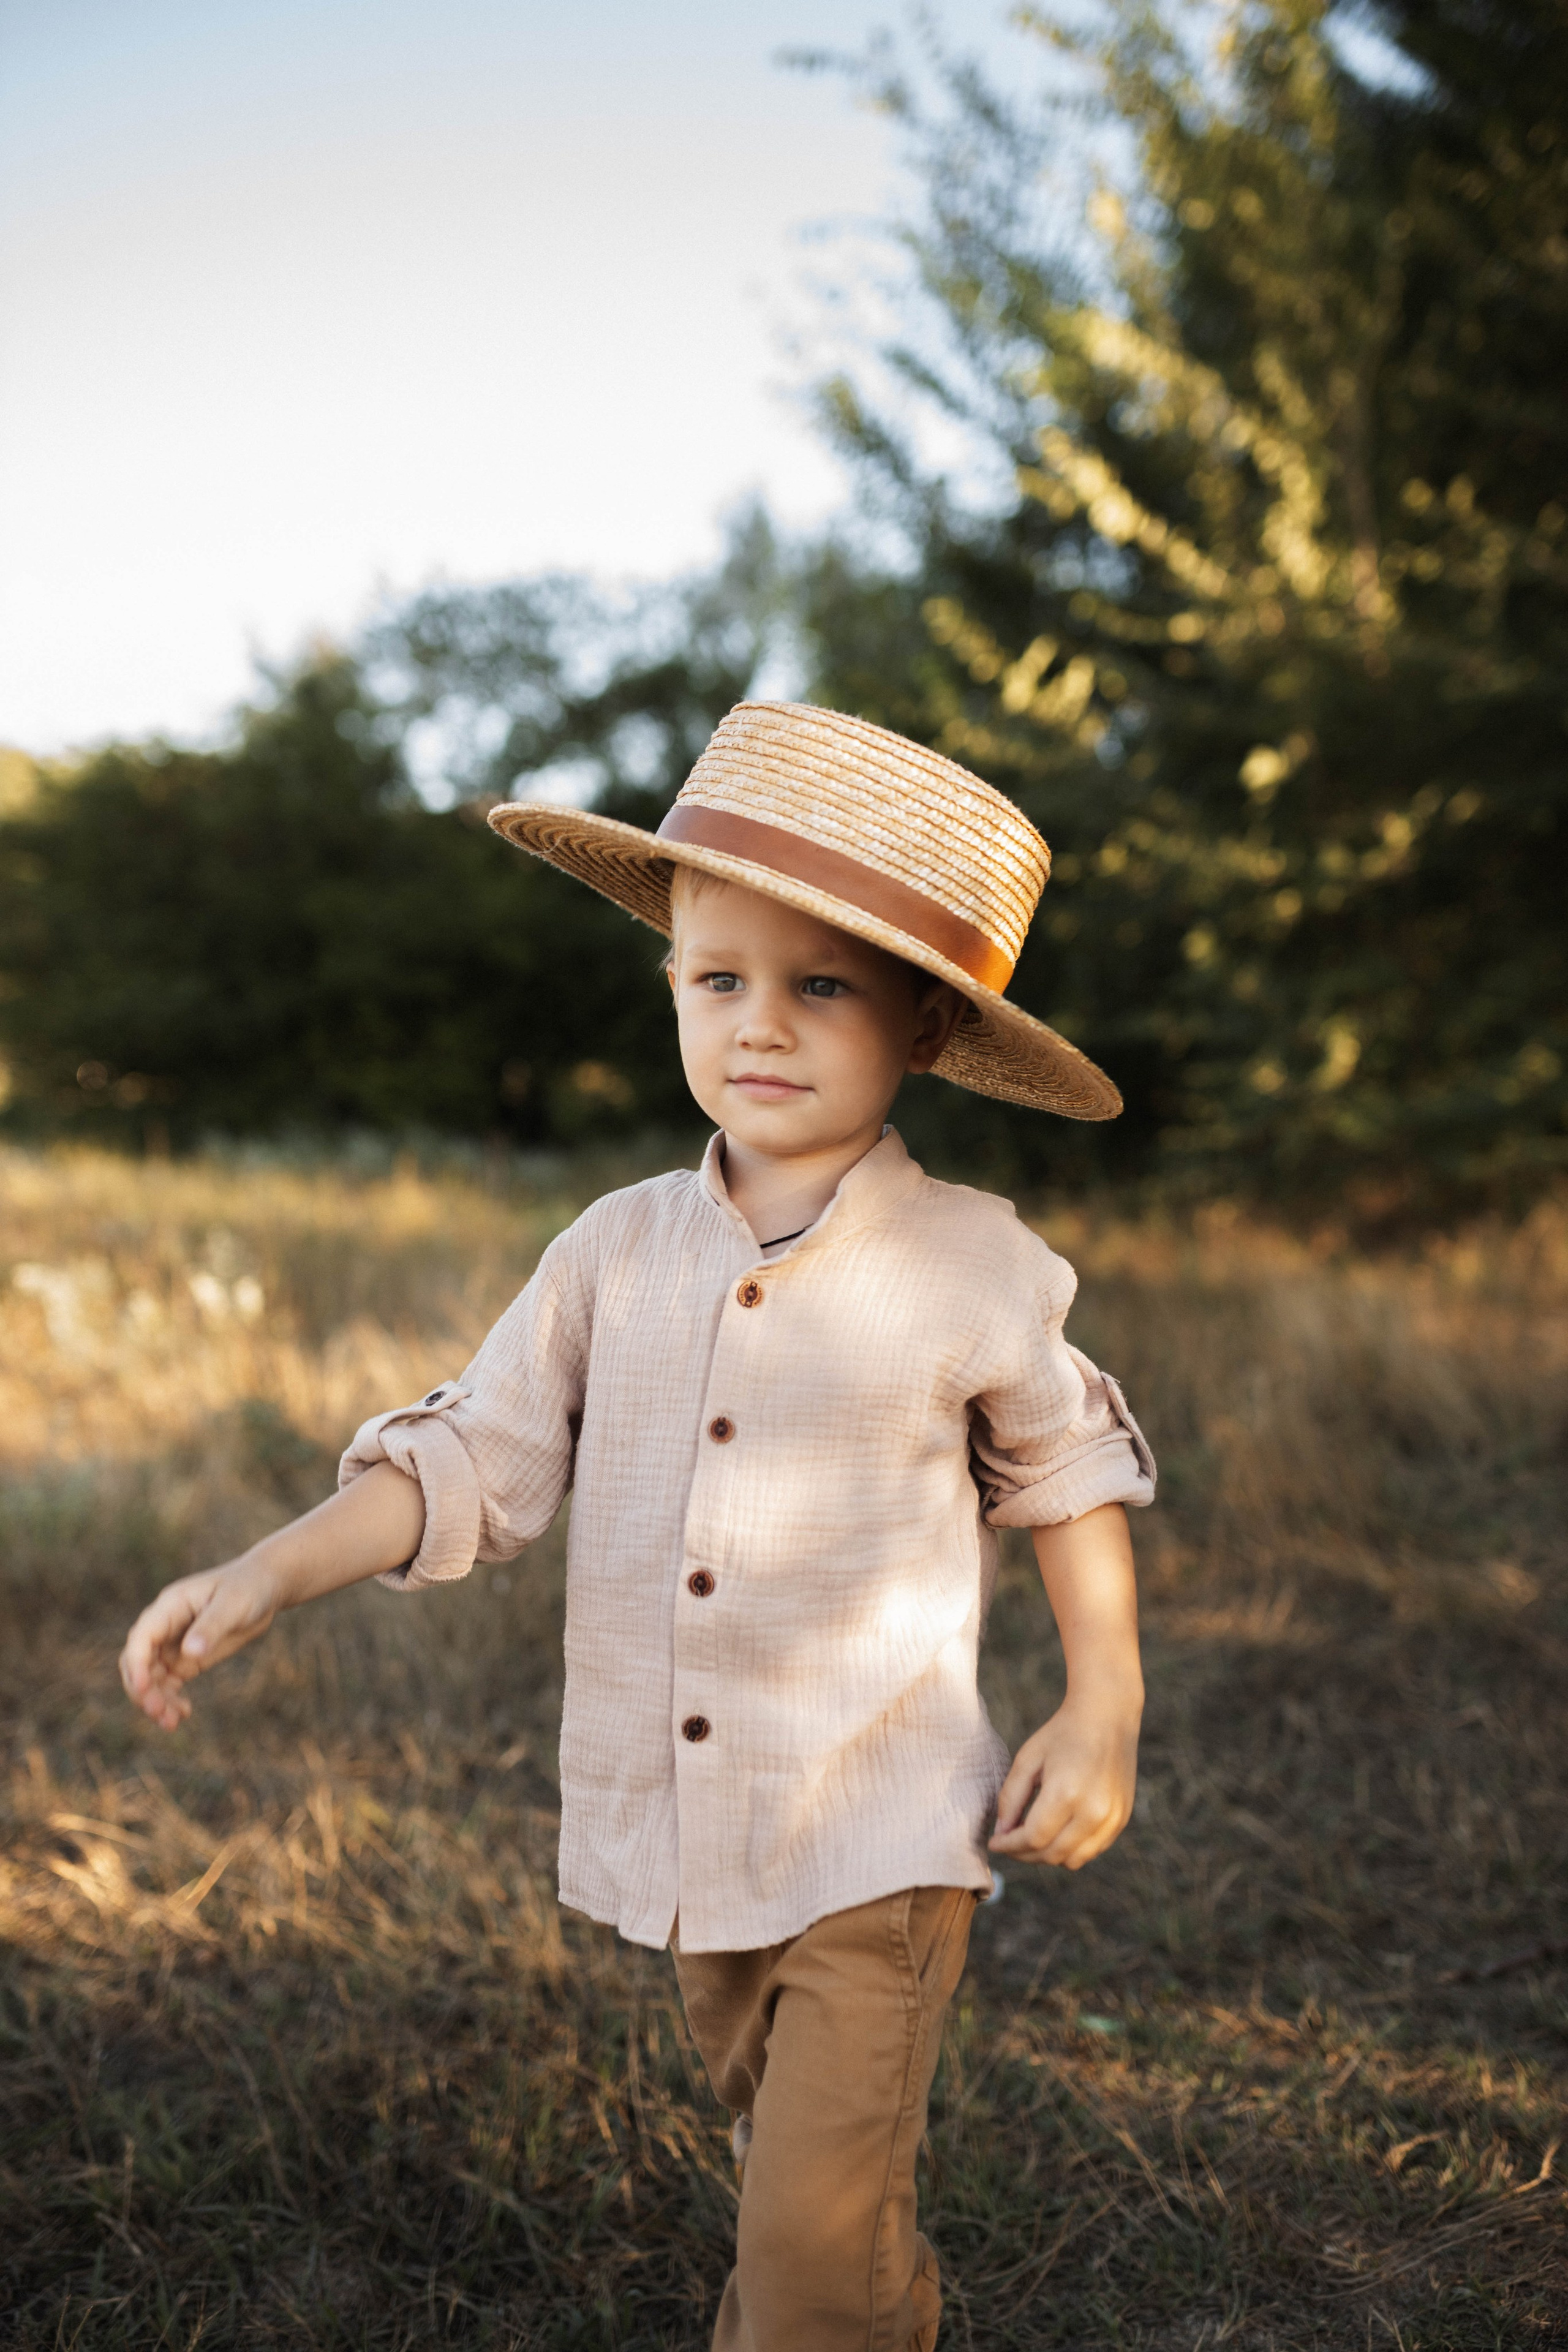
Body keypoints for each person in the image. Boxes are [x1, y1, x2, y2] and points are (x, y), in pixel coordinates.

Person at [120, 701, 1156, 2351]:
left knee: (807, 2253)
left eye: (822, 985)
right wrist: (269, 1570)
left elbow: (1069, 1470)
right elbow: (474, 1459)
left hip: (881, 1827)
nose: (762, 1023)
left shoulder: (973, 1262)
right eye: (719, 978)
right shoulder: (611, 1252)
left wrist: (1102, 1701)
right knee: (800, 2171)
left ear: (924, 1031)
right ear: (673, 989)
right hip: (681, 1828)